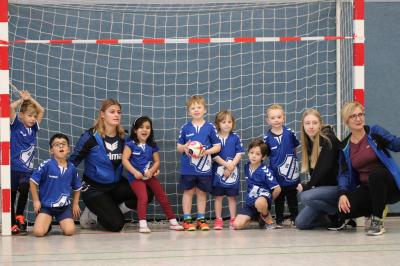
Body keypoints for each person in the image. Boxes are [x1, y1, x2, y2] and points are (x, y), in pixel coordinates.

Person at [70, 99, 154, 232]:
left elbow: (137, 160)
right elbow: (71, 164)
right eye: (112, 112)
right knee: (116, 225)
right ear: (102, 114)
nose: (116, 115)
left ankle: (112, 210)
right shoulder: (89, 137)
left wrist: (151, 170)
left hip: (115, 185)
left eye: (119, 112)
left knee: (147, 193)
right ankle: (91, 215)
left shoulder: (124, 138)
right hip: (94, 189)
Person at [333, 101, 400, 236]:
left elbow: (395, 144)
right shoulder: (345, 146)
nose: (358, 119)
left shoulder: (374, 132)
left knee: (376, 174)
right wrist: (342, 194)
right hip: (368, 188)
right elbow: (344, 174)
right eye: (353, 116)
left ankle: (377, 221)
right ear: (347, 121)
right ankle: (379, 206)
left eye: (360, 114)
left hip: (389, 185)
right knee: (344, 211)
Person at [122, 116, 183, 233]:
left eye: (147, 127)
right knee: (143, 197)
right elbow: (125, 160)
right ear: (135, 130)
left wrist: (151, 171)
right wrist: (135, 173)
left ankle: (173, 221)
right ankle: (142, 223)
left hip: (149, 176)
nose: (144, 130)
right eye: (141, 127)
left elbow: (157, 161)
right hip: (136, 178)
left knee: (162, 197)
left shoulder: (152, 145)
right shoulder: (130, 144)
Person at [177, 95, 221, 231]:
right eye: (193, 108)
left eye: (199, 107)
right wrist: (184, 147)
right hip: (188, 168)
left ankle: (201, 219)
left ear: (205, 110)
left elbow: (218, 146)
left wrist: (206, 151)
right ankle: (187, 219)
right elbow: (179, 147)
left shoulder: (210, 127)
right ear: (189, 112)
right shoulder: (185, 127)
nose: (196, 110)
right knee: (188, 191)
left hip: (204, 168)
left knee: (202, 193)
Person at [295, 109, 341, 230]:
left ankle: (339, 214)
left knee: (306, 196)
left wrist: (307, 186)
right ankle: (330, 218)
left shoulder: (328, 139)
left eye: (314, 123)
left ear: (320, 124)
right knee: (301, 223)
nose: (311, 126)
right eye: (307, 123)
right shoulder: (309, 143)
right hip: (324, 191)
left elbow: (323, 169)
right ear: (303, 125)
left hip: (339, 189)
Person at [30, 133, 81, 237]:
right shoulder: (46, 165)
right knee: (38, 233)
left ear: (69, 149)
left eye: (64, 144)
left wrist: (75, 204)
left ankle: (62, 221)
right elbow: (32, 181)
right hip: (47, 207)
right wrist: (36, 201)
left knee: (70, 231)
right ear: (51, 150)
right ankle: (47, 224)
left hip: (63, 208)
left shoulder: (72, 168)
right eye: (57, 144)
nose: (61, 146)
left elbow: (77, 188)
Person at [10, 90, 44, 234]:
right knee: (11, 195)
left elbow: (42, 110)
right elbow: (10, 108)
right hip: (13, 168)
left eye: (34, 116)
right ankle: (11, 222)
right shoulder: (16, 125)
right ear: (22, 115)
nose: (32, 119)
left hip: (27, 170)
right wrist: (21, 100)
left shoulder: (34, 128)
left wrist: (31, 98)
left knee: (24, 191)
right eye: (29, 116)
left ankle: (19, 216)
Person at [263, 104, 300, 228]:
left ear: (283, 118)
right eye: (273, 118)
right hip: (276, 174)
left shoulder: (290, 133)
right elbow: (266, 155)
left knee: (292, 197)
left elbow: (295, 149)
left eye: (279, 117)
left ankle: (295, 219)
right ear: (268, 120)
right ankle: (279, 220)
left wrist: (292, 164)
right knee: (279, 198)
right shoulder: (266, 138)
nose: (276, 120)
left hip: (291, 173)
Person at [233, 139, 281, 230]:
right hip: (250, 202)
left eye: (258, 154)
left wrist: (268, 201)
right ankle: (257, 217)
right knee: (237, 225)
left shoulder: (265, 171)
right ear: (248, 153)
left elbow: (278, 189)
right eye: (252, 153)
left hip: (262, 200)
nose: (254, 156)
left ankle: (266, 217)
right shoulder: (246, 167)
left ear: (263, 157)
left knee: (259, 202)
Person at [211, 111, 244, 230]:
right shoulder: (214, 138)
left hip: (233, 173)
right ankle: (218, 219)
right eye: (223, 122)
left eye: (229, 122)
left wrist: (232, 166)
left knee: (232, 198)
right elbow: (214, 155)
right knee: (218, 197)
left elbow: (239, 153)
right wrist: (226, 165)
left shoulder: (235, 137)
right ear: (218, 124)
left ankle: (232, 219)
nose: (226, 124)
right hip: (218, 173)